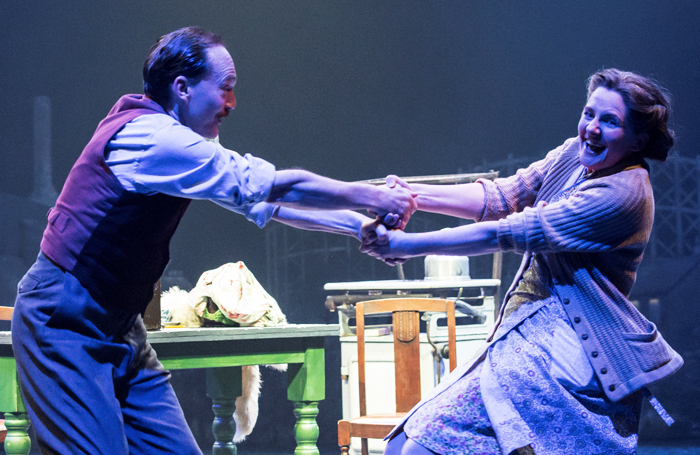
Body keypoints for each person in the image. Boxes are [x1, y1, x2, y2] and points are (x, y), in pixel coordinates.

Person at [11, 26, 415, 455]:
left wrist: (356, 226)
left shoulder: (180, 140)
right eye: (225, 88)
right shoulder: (151, 138)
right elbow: (268, 186)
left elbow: (264, 205)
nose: (231, 104)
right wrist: (373, 196)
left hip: (119, 327)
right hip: (63, 322)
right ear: (182, 87)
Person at [361, 68, 683, 455]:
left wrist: (408, 245)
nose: (592, 129)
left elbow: (507, 231)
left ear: (637, 140)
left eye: (610, 122)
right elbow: (502, 197)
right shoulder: (572, 155)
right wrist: (411, 196)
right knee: (403, 444)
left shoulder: (624, 194)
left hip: (567, 349)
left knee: (419, 447)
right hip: (524, 334)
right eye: (589, 114)